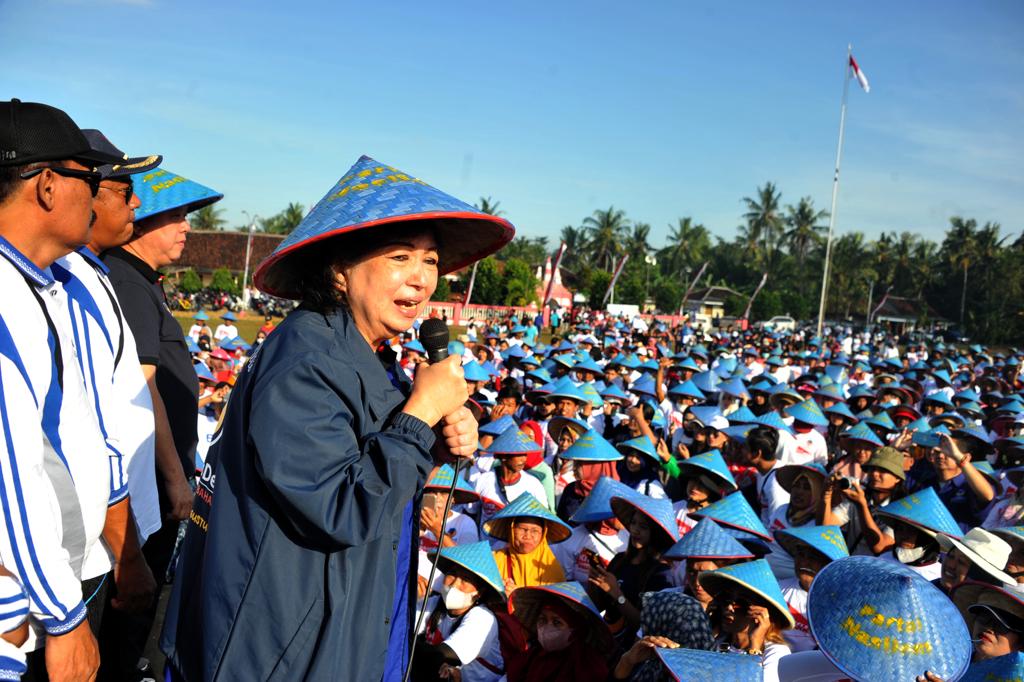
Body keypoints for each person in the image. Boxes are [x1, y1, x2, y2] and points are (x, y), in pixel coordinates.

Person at [160, 156, 513, 681]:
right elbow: (343, 504)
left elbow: (367, 458)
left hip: (349, 620)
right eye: (399, 257)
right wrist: (419, 415)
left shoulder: (368, 353)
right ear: (340, 272)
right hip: (285, 643)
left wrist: (432, 441)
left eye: (431, 261)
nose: (420, 279)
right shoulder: (306, 359)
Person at [0, 98, 127, 681]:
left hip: (49, 590)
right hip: (24, 614)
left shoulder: (40, 282)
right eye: (90, 177)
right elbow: (12, 471)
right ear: (48, 185)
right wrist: (62, 618)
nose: (97, 192)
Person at [102, 166, 222, 678]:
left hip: (150, 479)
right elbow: (142, 388)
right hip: (143, 482)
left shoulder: (140, 283)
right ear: (140, 219)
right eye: (173, 215)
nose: (185, 227)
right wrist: (176, 479)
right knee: (127, 611)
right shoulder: (127, 282)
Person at [412, 542, 513, 682]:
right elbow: (403, 626)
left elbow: (441, 655)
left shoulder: (482, 618)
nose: (454, 584)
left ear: (479, 593)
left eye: (465, 580)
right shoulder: (435, 603)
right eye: (452, 575)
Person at [587, 494, 679, 646]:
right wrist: (594, 582)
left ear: (655, 533)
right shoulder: (619, 560)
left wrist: (617, 594)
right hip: (605, 641)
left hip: (631, 648)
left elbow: (645, 624)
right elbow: (598, 606)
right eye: (634, 523)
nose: (635, 530)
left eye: (643, 527)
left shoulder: (661, 574)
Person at [699, 559, 795, 682]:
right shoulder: (718, 641)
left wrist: (755, 645)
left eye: (740, 603)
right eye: (725, 599)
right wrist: (708, 630)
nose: (728, 609)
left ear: (761, 613)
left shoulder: (775, 651)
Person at [507, 582, 612, 682]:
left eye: (557, 622)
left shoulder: (589, 667)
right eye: (543, 619)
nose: (547, 627)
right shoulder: (530, 657)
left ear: (574, 629)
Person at [486, 494, 569, 596]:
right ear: (512, 530)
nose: (528, 536)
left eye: (535, 531)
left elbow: (554, 607)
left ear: (543, 534)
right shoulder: (493, 560)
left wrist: (520, 597)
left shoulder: (552, 569)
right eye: (522, 529)